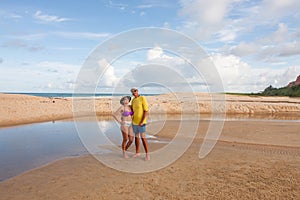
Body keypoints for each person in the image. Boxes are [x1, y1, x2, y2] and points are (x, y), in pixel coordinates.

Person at [130, 87, 150, 161]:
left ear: (137, 91)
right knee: (136, 137)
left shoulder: (142, 98)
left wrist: (142, 121)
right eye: (132, 91)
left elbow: (146, 111)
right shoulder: (133, 100)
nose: (133, 92)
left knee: (143, 137)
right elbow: (132, 110)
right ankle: (137, 152)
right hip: (134, 122)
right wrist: (129, 113)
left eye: (135, 91)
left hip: (141, 122)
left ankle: (147, 154)